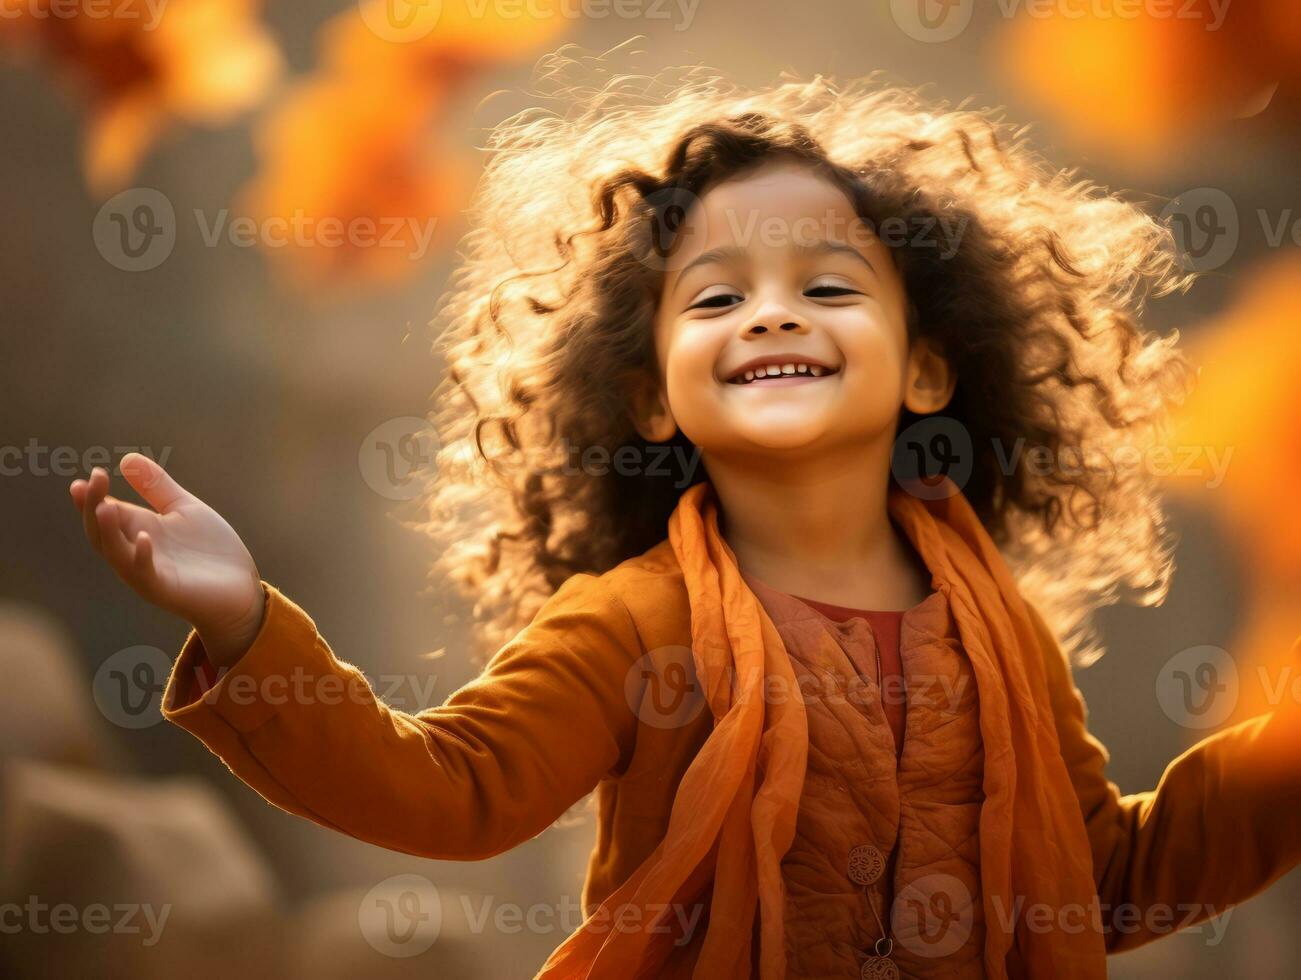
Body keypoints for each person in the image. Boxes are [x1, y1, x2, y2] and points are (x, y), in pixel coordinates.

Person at [69, 58, 1301, 979]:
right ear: (650, 395)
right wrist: (244, 625)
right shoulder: (633, 623)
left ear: (928, 369)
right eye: (717, 296)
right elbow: (448, 787)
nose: (771, 314)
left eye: (825, 285)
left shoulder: (995, 626)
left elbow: (1098, 877)